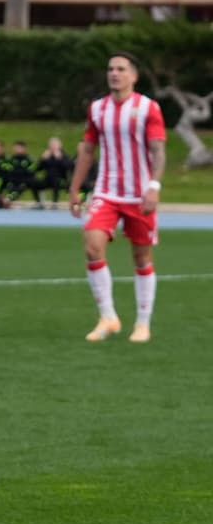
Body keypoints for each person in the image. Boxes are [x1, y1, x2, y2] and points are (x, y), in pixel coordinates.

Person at [71, 53, 167, 344]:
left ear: (133, 76)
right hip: (106, 192)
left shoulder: (148, 108)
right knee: (92, 245)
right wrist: (75, 188)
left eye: (121, 69)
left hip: (139, 195)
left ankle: (142, 323)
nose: (114, 73)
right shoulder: (97, 109)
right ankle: (108, 317)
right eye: (111, 69)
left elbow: (158, 150)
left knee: (141, 257)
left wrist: (154, 186)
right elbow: (88, 150)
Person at [37, 136, 73, 210]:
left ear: (60, 146)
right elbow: (38, 169)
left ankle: (55, 203)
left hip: (61, 179)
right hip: (48, 179)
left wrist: (60, 159)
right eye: (51, 145)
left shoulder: (64, 155)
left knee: (56, 182)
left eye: (55, 145)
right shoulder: (47, 155)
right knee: (35, 183)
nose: (53, 147)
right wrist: (42, 160)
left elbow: (68, 167)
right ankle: (40, 203)